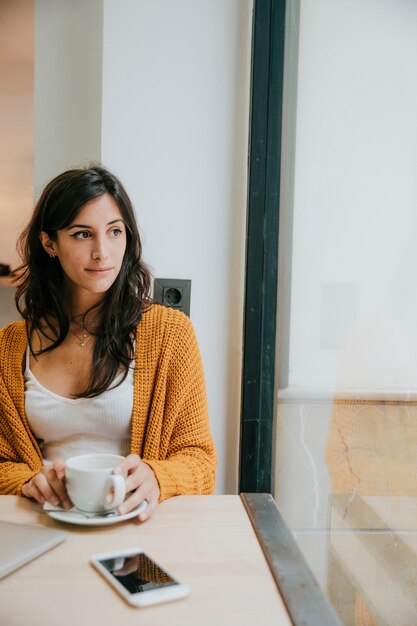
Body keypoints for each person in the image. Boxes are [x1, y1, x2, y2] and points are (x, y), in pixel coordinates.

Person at [0, 164, 217, 521]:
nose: (103, 251)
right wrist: (28, 481)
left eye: (115, 231)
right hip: (43, 525)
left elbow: (200, 460)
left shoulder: (169, 334)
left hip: (135, 524)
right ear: (49, 242)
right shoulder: (10, 348)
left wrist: (158, 476)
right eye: (83, 234)